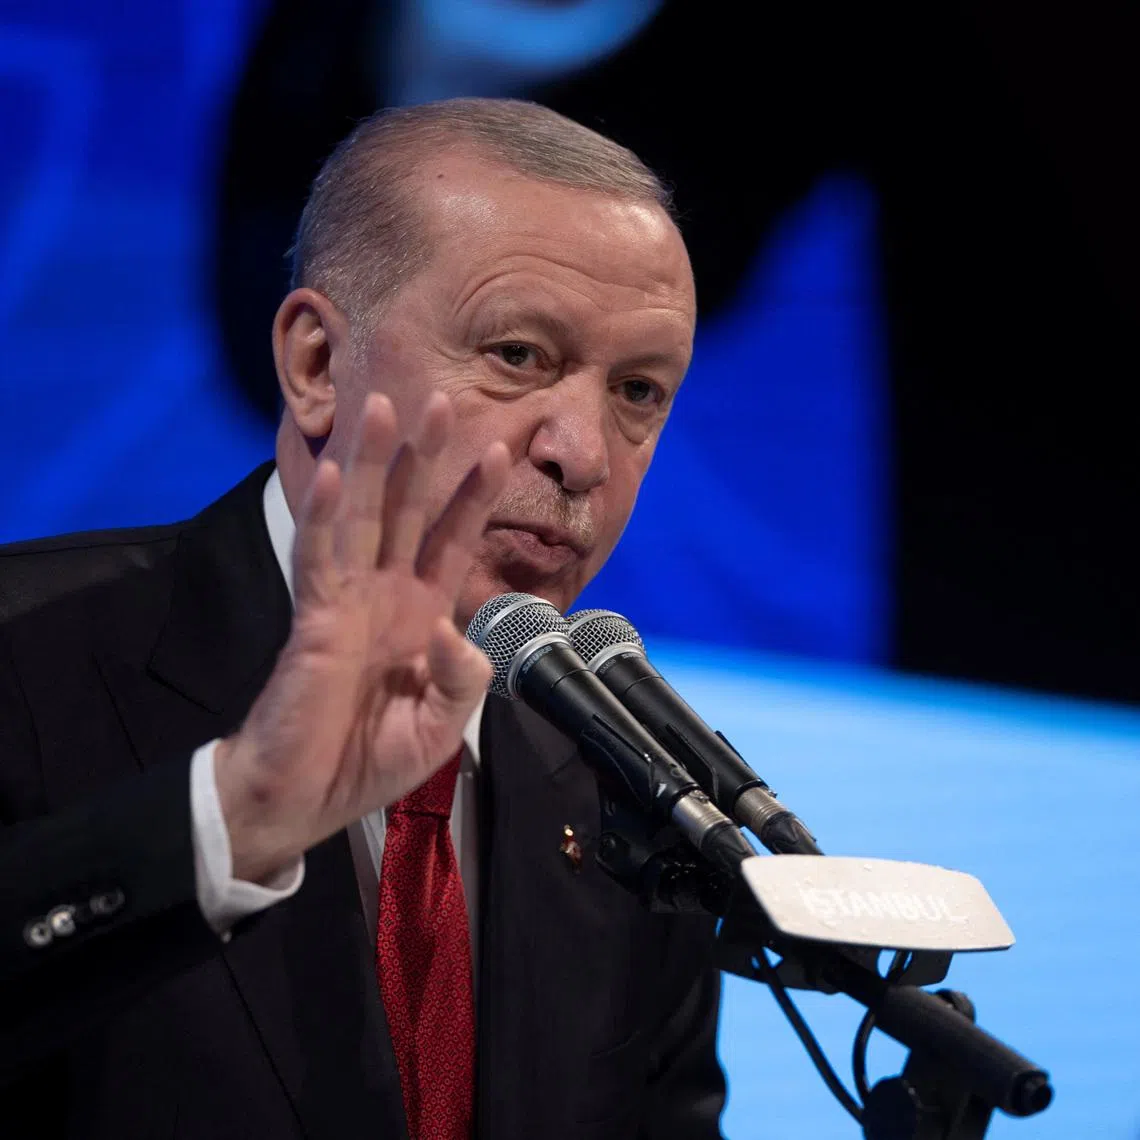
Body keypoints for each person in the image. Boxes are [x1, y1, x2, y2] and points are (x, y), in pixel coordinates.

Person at [0, 98, 724, 1138]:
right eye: (518, 355)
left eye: (640, 390)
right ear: (313, 365)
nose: (585, 454)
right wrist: (238, 816)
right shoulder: (26, 659)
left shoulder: (633, 791)